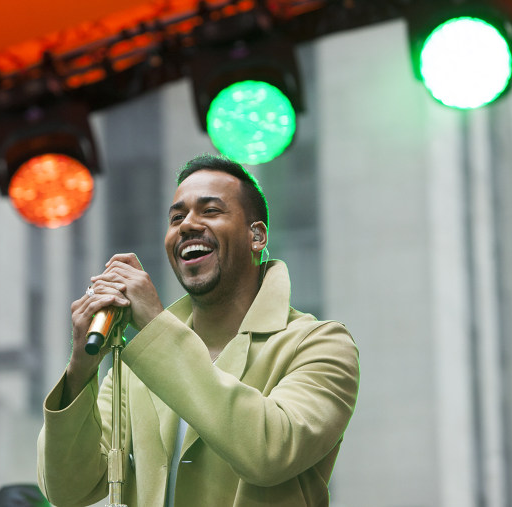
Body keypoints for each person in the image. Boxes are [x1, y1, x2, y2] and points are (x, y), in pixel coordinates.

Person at [37, 154, 359, 506]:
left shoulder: (320, 345)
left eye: (210, 211)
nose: (187, 225)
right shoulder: (135, 369)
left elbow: (270, 453)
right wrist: (80, 369)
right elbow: (69, 490)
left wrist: (155, 325)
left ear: (257, 236)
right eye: (176, 217)